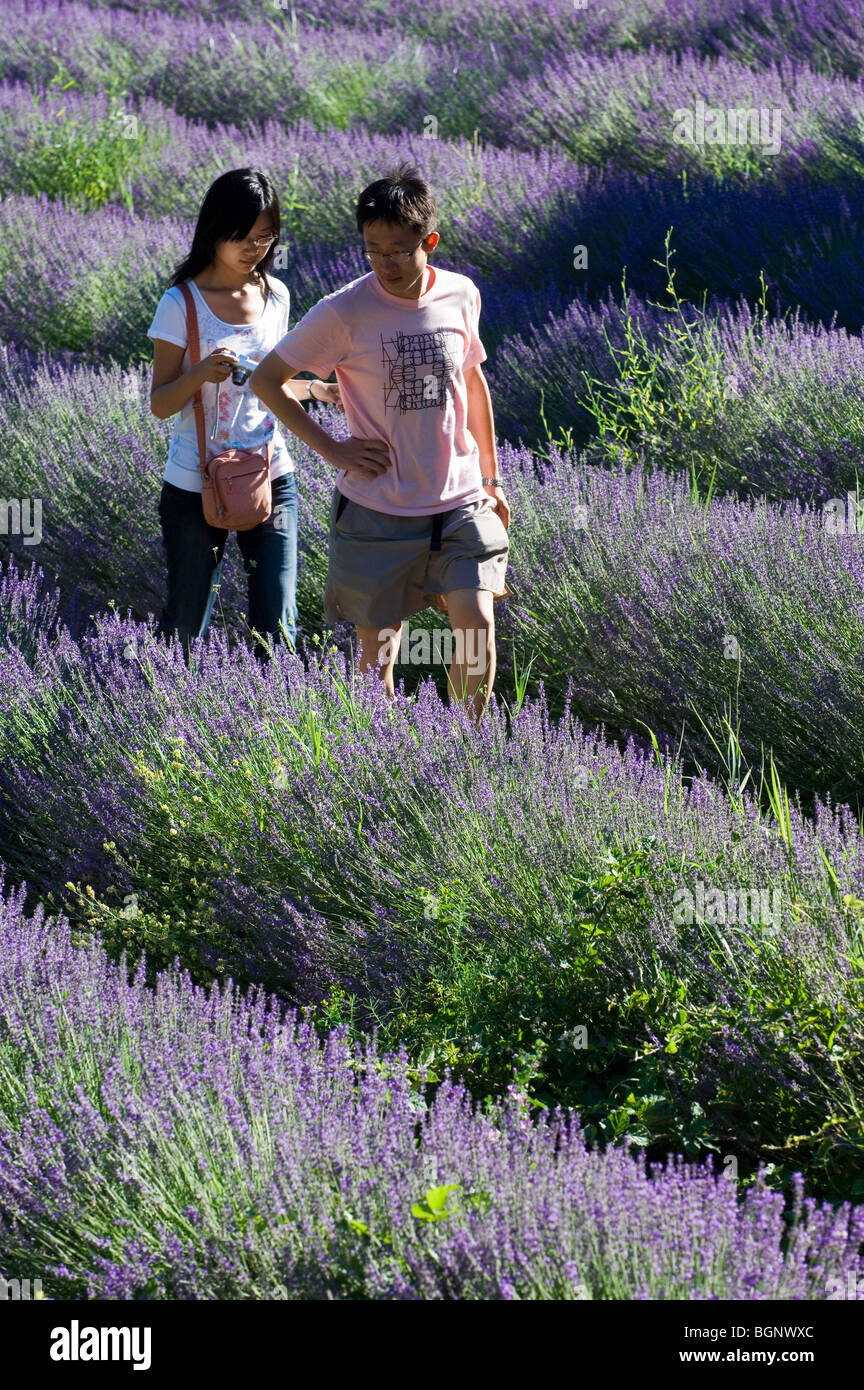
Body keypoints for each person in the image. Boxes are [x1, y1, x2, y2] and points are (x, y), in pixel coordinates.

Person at [250, 162, 510, 720]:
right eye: (373, 250)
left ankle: (468, 753)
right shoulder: (345, 311)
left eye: (398, 249)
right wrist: (334, 449)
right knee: (378, 658)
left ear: (429, 242)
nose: (386, 263)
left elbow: (472, 381)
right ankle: (386, 762)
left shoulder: (461, 294)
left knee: (477, 627)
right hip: (379, 509)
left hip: (459, 500)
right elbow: (267, 381)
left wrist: (491, 478)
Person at [147, 167, 341, 660]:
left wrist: (315, 390)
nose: (253, 249)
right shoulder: (180, 303)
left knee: (278, 624)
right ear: (214, 230)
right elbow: (160, 403)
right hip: (196, 481)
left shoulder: (277, 296)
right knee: (187, 623)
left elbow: (267, 382)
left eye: (264, 238)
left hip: (271, 473)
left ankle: (274, 723)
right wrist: (199, 374)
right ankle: (169, 721)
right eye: (241, 237)